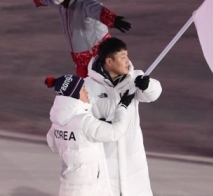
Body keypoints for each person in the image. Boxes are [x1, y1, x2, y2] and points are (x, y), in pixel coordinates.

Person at [84, 37, 162, 196]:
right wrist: (97, 125)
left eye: (127, 55)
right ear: (109, 62)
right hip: (104, 157)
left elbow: (153, 93)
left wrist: (147, 86)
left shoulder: (135, 79)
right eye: (123, 57)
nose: (128, 61)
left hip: (131, 156)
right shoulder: (88, 86)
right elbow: (81, 117)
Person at [45, 74, 135, 196]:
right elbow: (116, 132)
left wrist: (95, 126)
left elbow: (53, 145)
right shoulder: (84, 121)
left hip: (68, 186)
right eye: (83, 89)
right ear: (74, 95)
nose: (87, 92)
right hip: (88, 188)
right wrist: (122, 107)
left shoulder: (57, 123)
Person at [33, 0, 131, 78]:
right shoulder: (62, 5)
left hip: (98, 55)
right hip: (80, 59)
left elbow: (97, 9)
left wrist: (113, 19)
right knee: (85, 93)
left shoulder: (84, 3)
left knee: (106, 87)